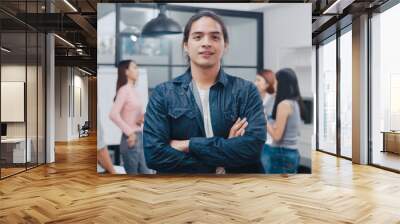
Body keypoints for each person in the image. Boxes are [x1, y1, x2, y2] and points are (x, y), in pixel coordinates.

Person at [143, 10, 266, 173]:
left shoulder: (246, 91)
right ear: (186, 45)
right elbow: (154, 155)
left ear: (225, 45)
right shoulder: (163, 93)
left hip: (239, 190)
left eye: (215, 37)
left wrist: (188, 145)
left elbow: (252, 148)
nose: (206, 43)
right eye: (198, 37)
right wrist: (220, 160)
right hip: (184, 192)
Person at [109, 60, 152, 174]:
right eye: (134, 67)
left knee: (146, 173)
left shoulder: (134, 90)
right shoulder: (124, 90)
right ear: (126, 71)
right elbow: (113, 114)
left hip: (140, 137)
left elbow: (134, 115)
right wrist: (130, 132)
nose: (137, 70)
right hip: (130, 139)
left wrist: (142, 117)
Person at [265, 68, 306, 173]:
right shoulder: (295, 102)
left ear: (282, 84)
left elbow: (277, 137)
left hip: (281, 154)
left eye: (275, 82)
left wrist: (263, 119)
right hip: (291, 152)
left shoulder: (284, 105)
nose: (273, 85)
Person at [254, 69, 276, 172]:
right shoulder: (255, 99)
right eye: (255, 80)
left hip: (268, 145)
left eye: (259, 80)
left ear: (267, 84)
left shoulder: (273, 101)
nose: (255, 83)